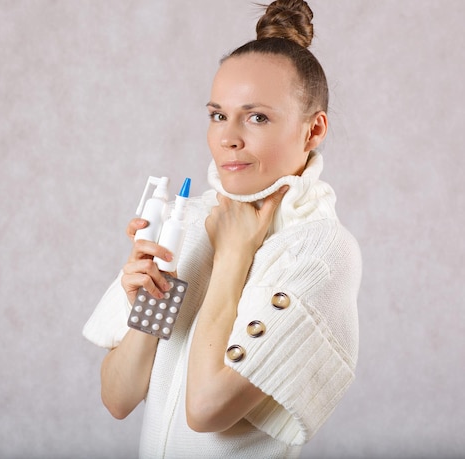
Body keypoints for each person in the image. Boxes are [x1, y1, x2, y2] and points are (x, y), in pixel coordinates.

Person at [83, 0, 362, 457]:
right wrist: (146, 312)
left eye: (257, 117)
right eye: (218, 115)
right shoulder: (187, 220)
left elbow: (207, 409)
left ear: (313, 131)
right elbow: (116, 399)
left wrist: (233, 259)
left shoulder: (320, 253)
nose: (228, 137)